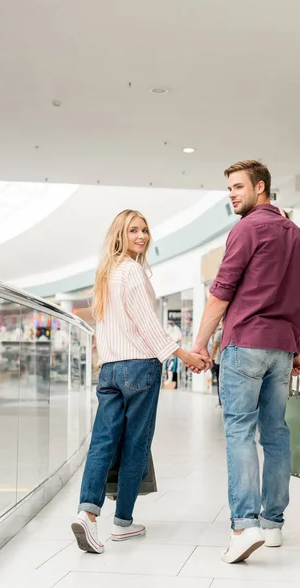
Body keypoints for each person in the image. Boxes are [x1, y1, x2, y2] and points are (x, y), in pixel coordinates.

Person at [191, 160, 300, 564]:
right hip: (281, 349)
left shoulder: (246, 229)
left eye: (238, 186)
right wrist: (296, 349)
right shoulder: (298, 237)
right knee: (276, 434)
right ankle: (273, 524)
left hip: (245, 343)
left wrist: (200, 344)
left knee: (240, 431)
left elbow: (221, 291)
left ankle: (244, 526)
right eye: (228, 187)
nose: (231, 193)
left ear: (261, 187)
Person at [71, 209, 205, 554]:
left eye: (144, 230)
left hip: (110, 369)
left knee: (103, 441)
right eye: (134, 230)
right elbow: (147, 323)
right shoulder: (132, 270)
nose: (142, 236)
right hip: (139, 367)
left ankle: (87, 513)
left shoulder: (105, 273)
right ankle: (123, 523)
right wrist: (184, 355)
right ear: (120, 234)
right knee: (135, 444)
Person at [210, 318, 224, 406]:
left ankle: (220, 401)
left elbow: (215, 347)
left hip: (219, 360)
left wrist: (211, 359)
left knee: (220, 381)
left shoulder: (219, 333)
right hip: (227, 361)